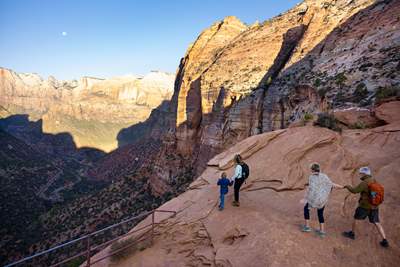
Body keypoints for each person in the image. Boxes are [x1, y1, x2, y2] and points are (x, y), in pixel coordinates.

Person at [342, 167, 389, 248]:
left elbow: (355, 191)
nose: (360, 175)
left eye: (361, 173)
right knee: (376, 222)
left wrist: (347, 186)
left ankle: (352, 234)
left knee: (356, 218)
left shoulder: (365, 182)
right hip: (374, 206)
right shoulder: (374, 180)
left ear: (364, 174)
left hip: (365, 206)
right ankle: (384, 240)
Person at [301, 163, 343, 237]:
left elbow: (311, 189)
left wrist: (306, 198)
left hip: (314, 199)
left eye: (311, 169)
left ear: (313, 170)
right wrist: (342, 187)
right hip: (322, 199)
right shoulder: (324, 176)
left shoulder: (311, 177)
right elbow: (331, 184)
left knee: (306, 209)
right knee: (320, 213)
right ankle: (322, 231)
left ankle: (307, 227)